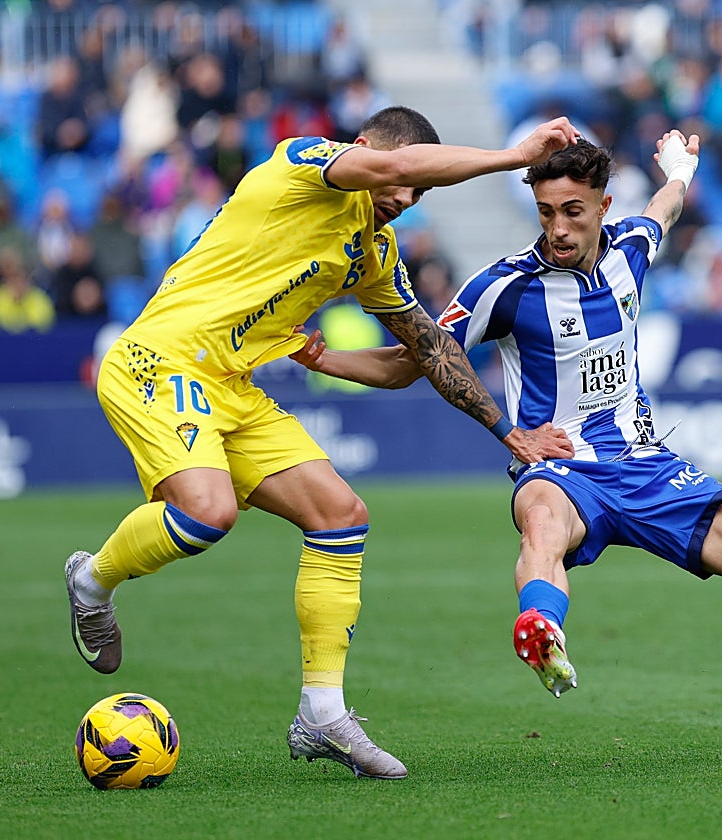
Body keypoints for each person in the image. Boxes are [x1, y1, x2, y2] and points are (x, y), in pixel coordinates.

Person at [288, 131, 722, 762]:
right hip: (559, 467)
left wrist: (680, 169)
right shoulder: (505, 285)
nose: (559, 229)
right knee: (542, 527)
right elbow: (419, 361)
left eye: (573, 211)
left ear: (603, 205)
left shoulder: (631, 246)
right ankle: (540, 627)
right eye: (547, 213)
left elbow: (666, 209)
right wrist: (327, 358)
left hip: (648, 468)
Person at [64, 106, 579, 782]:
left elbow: (422, 352)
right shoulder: (300, 163)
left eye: (417, 195)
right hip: (159, 360)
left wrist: (505, 430)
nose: (404, 200)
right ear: (363, 151)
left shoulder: (372, 251)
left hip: (234, 385)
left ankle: (323, 713)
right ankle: (91, 581)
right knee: (206, 511)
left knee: (341, 514)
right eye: (401, 185)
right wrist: (514, 157)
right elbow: (393, 166)